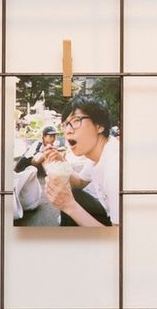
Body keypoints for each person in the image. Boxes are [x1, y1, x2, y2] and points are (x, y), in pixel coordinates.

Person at [42, 95, 120, 227]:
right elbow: (80, 182)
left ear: (99, 125)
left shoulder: (115, 169)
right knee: (72, 193)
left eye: (76, 121)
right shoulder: (98, 154)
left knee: (70, 203)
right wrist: (61, 162)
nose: (68, 130)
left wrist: (69, 205)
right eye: (65, 125)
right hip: (108, 214)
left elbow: (119, 237)